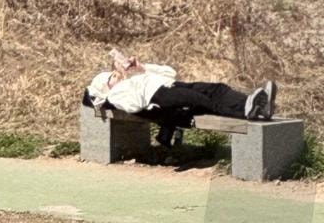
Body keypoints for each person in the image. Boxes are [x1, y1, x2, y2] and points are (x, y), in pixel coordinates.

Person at [84, 51, 277, 149]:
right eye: (113, 78)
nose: (118, 75)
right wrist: (127, 85)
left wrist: (142, 68)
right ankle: (248, 111)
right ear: (106, 88)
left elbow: (170, 73)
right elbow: (134, 105)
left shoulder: (134, 78)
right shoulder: (116, 94)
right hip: (159, 96)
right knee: (202, 101)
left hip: (172, 86)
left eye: (115, 74)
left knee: (217, 89)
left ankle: (252, 103)